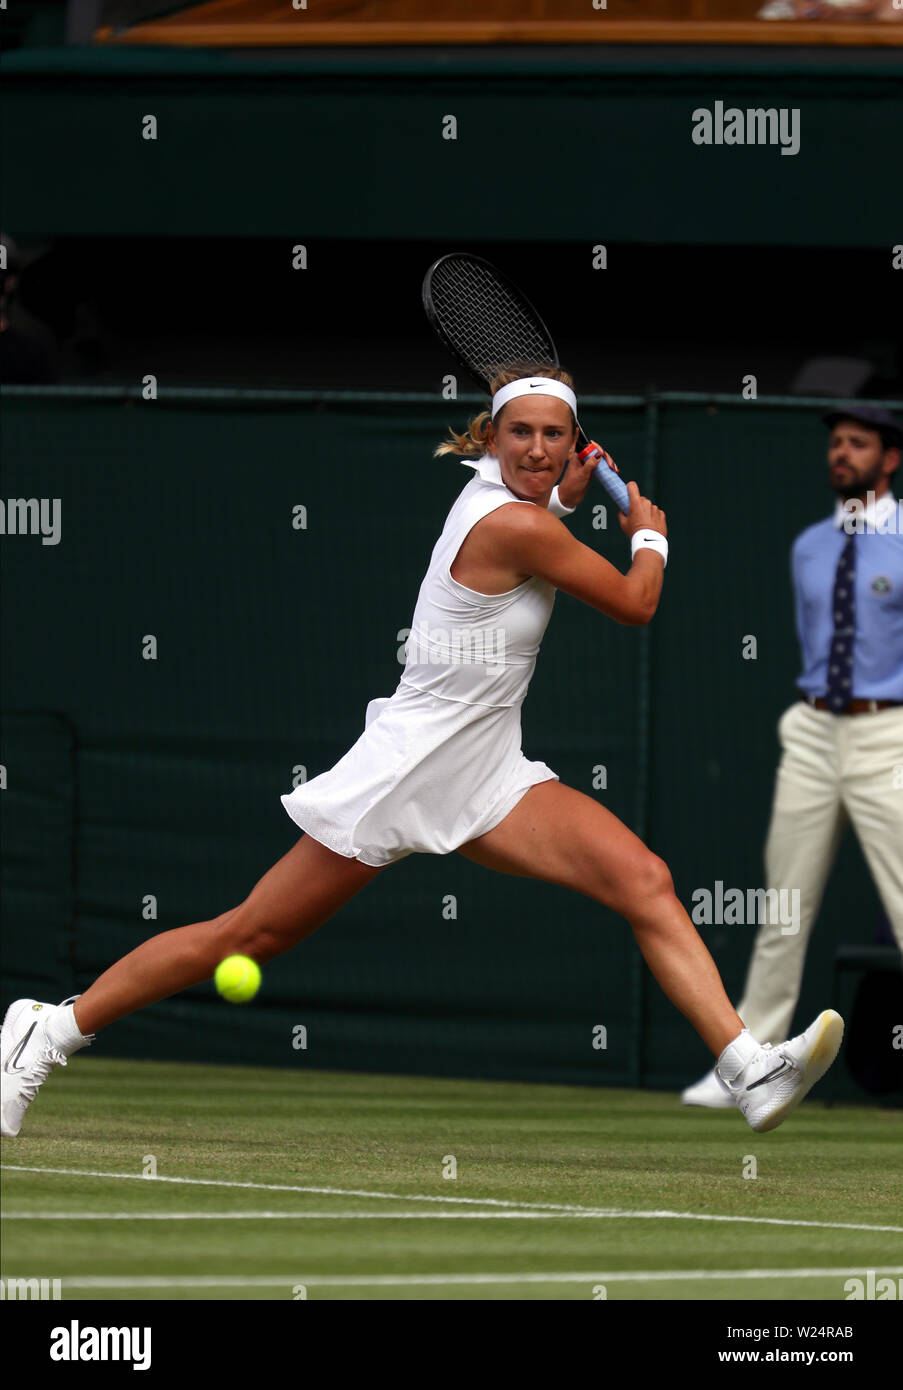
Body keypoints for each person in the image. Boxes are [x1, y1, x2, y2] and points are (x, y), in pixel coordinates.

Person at [1, 367, 843, 1141]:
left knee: (643, 879)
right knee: (246, 936)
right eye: (521, 433)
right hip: (406, 770)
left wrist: (562, 506)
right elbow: (634, 603)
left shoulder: (515, 513)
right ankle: (49, 1029)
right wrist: (647, 533)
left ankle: (748, 1071)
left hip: (487, 774)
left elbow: (527, 542)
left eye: (555, 435)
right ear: (490, 438)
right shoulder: (514, 521)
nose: (540, 449)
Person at [683, 403, 902, 1108]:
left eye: (857, 443)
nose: (841, 453)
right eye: (835, 443)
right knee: (782, 905)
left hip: (888, 732)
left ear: (888, 458)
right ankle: (751, 1066)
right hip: (811, 731)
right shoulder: (807, 545)